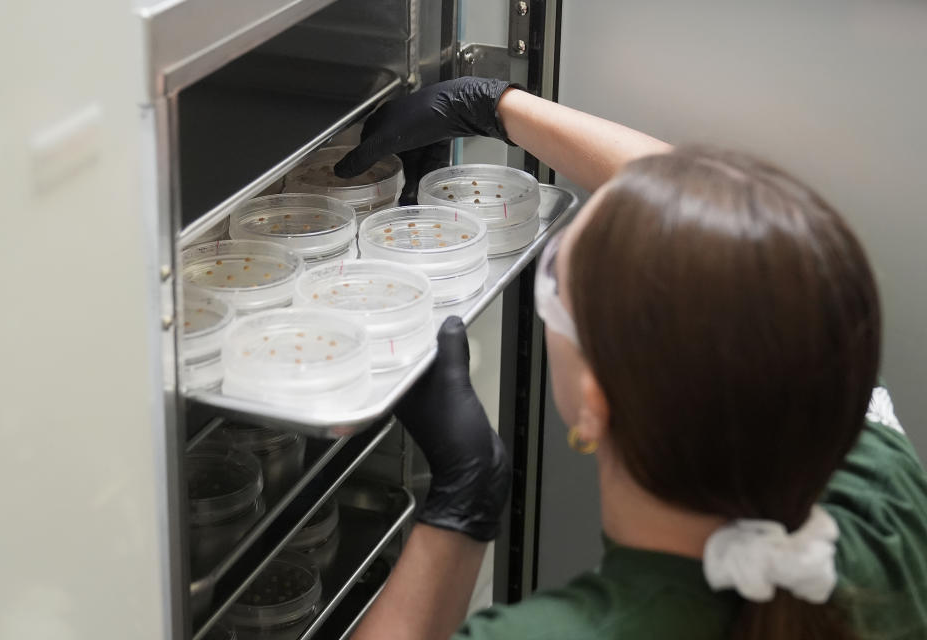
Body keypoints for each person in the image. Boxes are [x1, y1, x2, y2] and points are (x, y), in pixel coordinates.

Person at [336, 78, 927, 639]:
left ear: (594, 403)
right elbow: (743, 242)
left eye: (555, 288)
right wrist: (495, 106)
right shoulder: (882, 506)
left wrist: (459, 511)